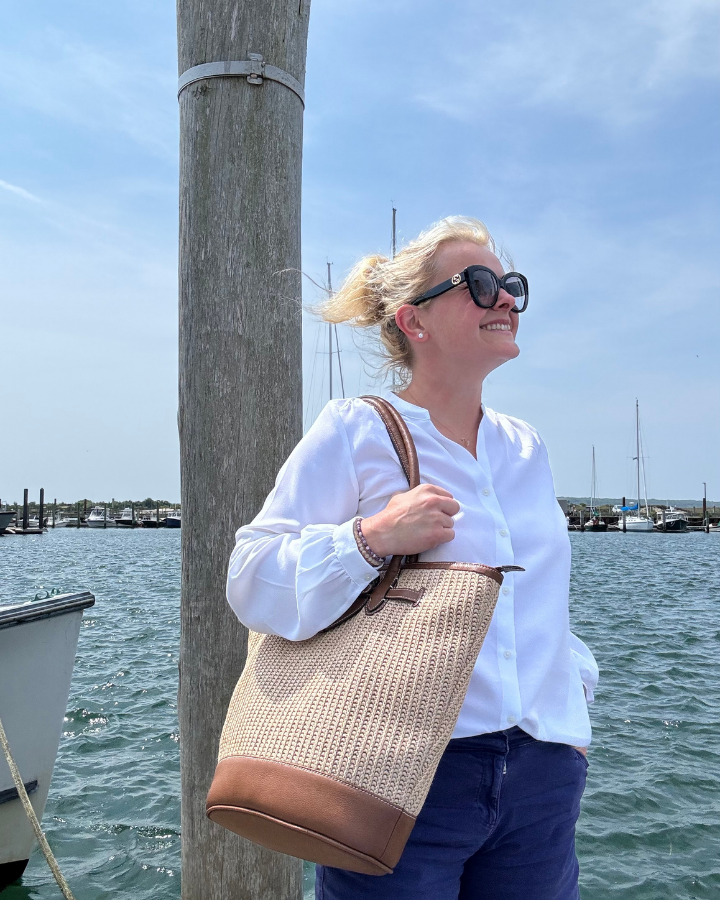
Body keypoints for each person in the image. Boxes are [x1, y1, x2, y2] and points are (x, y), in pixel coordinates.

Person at [226, 216, 598, 900]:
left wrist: (573, 710)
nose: (506, 299)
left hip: (542, 775)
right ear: (414, 322)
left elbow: (542, 599)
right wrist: (370, 538)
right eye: (480, 284)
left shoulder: (526, 447)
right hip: (401, 774)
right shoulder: (356, 429)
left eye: (511, 284)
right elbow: (251, 578)